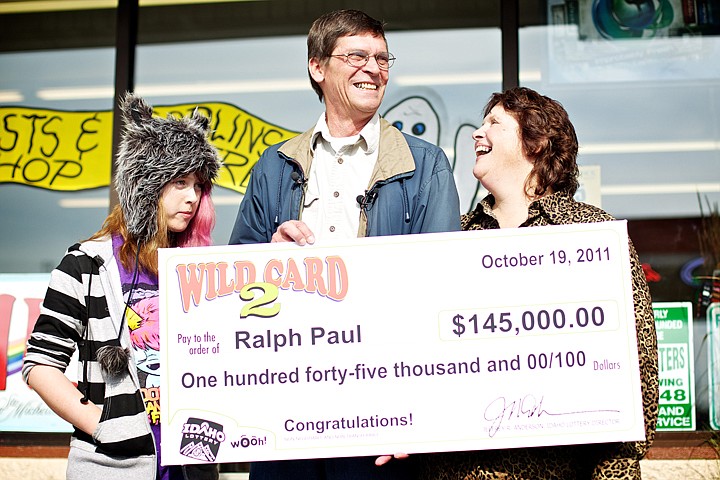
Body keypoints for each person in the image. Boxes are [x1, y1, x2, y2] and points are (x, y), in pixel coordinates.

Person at [229, 8, 460, 480]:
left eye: (382, 58)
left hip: (381, 413)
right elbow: (233, 285)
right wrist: (268, 254)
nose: (373, 69)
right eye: (357, 55)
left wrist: (417, 415)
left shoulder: (426, 164)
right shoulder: (274, 166)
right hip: (285, 410)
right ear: (318, 66)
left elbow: (444, 293)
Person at [420, 87, 659, 479]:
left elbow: (639, 362)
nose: (477, 134)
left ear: (537, 141)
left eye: (494, 123)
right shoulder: (453, 237)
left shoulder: (591, 232)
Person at [22, 92, 223, 480]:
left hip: (191, 465)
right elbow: (40, 365)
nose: (191, 197)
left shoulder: (197, 271)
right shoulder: (85, 265)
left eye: (198, 185)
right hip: (114, 466)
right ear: (144, 186)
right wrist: (102, 424)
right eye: (179, 182)